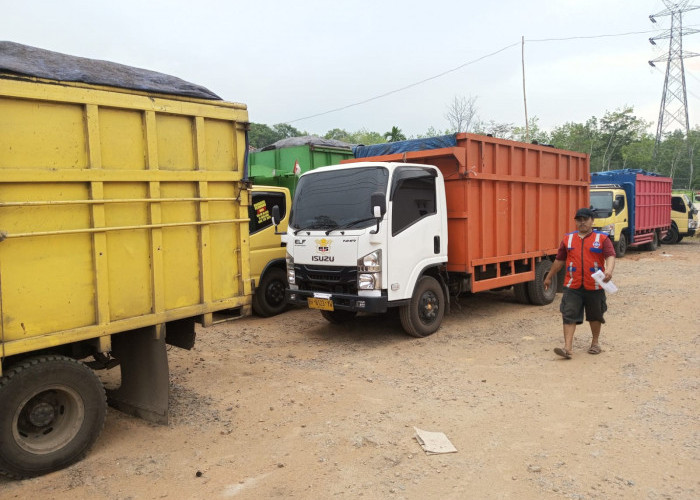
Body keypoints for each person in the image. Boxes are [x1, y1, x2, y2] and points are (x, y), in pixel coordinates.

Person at [543, 207, 616, 359]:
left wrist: (609, 270)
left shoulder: (602, 238)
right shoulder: (568, 239)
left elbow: (610, 256)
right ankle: (567, 348)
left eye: (585, 219)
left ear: (592, 221)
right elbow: (559, 260)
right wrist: (549, 276)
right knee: (568, 314)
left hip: (595, 285)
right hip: (572, 285)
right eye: (579, 220)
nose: (582, 222)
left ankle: (595, 343)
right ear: (575, 221)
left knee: (595, 315)